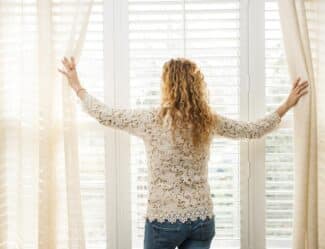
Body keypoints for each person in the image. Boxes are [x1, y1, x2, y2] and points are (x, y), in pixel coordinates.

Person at [58, 56, 309, 249]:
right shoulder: (207, 121)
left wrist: (77, 86)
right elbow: (252, 130)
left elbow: (107, 115)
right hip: (201, 220)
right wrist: (286, 104)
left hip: (163, 222)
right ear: (196, 87)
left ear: (168, 86)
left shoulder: (151, 119)